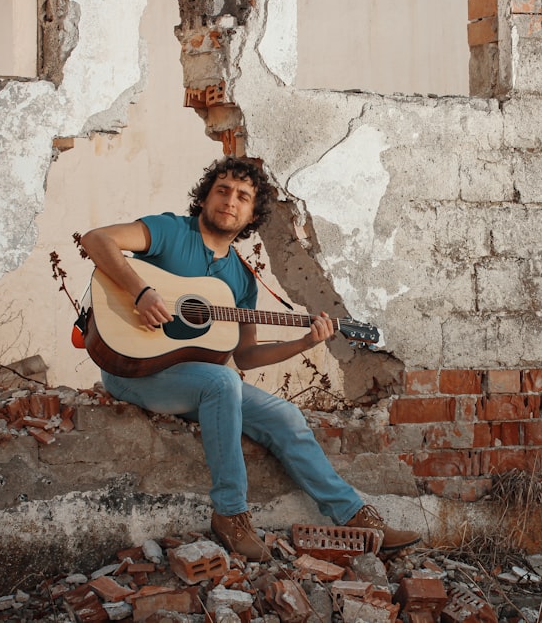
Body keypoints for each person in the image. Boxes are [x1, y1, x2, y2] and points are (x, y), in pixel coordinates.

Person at [79, 157, 421, 560]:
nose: (230, 201)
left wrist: (305, 343)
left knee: (286, 416)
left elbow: (246, 355)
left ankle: (356, 517)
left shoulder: (241, 279)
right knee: (222, 382)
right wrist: (141, 292)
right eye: (222, 190)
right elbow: (95, 239)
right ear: (206, 196)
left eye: (243, 196)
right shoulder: (171, 231)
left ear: (252, 213)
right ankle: (231, 515)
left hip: (193, 382)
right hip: (132, 369)